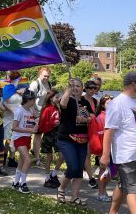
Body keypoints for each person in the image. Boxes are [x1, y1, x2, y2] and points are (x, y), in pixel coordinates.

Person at [100, 71, 136, 214]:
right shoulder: (117, 104)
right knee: (133, 188)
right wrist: (105, 155)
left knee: (124, 184)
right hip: (126, 154)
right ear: (133, 84)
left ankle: (112, 212)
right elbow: (109, 131)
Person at [56, 78, 92, 206]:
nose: (76, 88)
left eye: (78, 86)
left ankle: (74, 197)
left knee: (78, 170)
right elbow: (63, 105)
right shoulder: (68, 99)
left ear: (82, 88)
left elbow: (92, 116)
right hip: (67, 139)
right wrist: (68, 89)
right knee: (73, 166)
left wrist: (87, 119)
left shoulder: (85, 101)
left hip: (82, 139)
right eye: (73, 86)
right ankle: (61, 189)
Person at [11, 89, 38, 194]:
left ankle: (15, 182)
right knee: (28, 161)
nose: (34, 102)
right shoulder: (19, 111)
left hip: (27, 138)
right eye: (33, 100)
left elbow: (35, 118)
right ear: (28, 100)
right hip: (19, 138)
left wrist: (35, 125)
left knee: (21, 162)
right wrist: (29, 130)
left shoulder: (30, 110)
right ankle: (23, 184)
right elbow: (14, 127)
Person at [38, 89, 64, 188]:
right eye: (56, 97)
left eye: (59, 97)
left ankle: (54, 174)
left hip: (58, 134)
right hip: (49, 135)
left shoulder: (57, 108)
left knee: (62, 155)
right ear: (51, 98)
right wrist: (53, 124)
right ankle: (47, 178)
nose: (58, 99)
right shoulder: (47, 109)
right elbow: (42, 126)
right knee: (49, 157)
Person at [29, 67, 52, 165]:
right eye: (44, 76)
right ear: (40, 74)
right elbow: (29, 98)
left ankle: (35, 152)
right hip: (34, 113)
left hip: (44, 113)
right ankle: (36, 158)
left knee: (40, 134)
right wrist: (33, 111)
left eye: (48, 76)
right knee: (37, 135)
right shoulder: (35, 84)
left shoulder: (49, 84)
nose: (46, 78)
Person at [2, 70, 23, 167]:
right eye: (17, 79)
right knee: (8, 138)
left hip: (18, 117)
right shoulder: (7, 88)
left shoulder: (19, 89)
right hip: (9, 116)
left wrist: (22, 94)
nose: (18, 80)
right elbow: (4, 103)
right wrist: (12, 111)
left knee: (15, 137)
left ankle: (11, 158)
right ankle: (4, 156)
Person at [96, 94, 114, 202]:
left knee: (112, 170)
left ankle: (102, 189)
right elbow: (100, 134)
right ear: (103, 105)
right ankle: (101, 192)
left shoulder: (113, 115)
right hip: (104, 149)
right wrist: (103, 151)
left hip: (114, 148)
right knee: (104, 170)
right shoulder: (101, 117)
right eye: (108, 103)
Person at [83, 80, 98, 188]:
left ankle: (90, 175)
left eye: (94, 88)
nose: (93, 90)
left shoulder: (95, 101)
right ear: (86, 88)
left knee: (90, 152)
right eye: (90, 88)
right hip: (82, 129)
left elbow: (96, 115)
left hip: (92, 129)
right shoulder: (82, 100)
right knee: (87, 153)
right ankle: (90, 178)